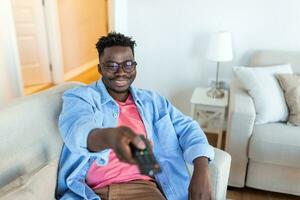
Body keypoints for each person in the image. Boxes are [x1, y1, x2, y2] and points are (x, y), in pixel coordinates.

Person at [56, 32, 215, 200]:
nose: (121, 72)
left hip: (142, 189)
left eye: (128, 64)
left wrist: (201, 169)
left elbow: (189, 129)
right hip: (91, 192)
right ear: (100, 68)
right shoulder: (80, 97)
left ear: (135, 66)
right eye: (112, 66)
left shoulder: (153, 102)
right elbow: (79, 129)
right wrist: (112, 137)